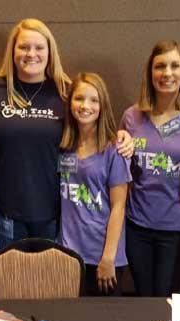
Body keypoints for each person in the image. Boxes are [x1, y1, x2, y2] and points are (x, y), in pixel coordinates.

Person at [0, 18, 133, 248]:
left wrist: (122, 137)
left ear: (50, 53)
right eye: (24, 47)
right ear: (12, 51)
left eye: (39, 48)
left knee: (48, 283)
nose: (31, 54)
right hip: (7, 214)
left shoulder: (65, 91)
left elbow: (92, 124)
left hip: (55, 216)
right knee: (10, 283)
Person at [121, 40, 180, 297]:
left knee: (164, 300)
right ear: (150, 73)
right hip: (137, 225)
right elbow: (122, 166)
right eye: (160, 66)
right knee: (143, 296)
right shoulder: (132, 116)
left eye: (174, 66)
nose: (167, 73)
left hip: (177, 229)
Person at [58, 73, 131, 296]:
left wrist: (108, 258)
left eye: (93, 100)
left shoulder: (114, 149)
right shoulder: (63, 145)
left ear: (103, 105)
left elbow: (119, 207)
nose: (85, 106)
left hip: (102, 257)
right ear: (70, 103)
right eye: (79, 99)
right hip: (69, 255)